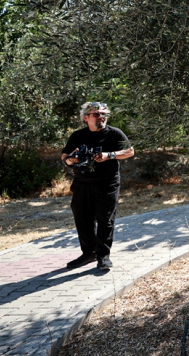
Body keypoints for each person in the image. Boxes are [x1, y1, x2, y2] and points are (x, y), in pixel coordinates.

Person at [61, 102, 134, 270]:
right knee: (82, 218)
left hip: (107, 183)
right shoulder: (78, 135)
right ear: (86, 118)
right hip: (82, 183)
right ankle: (89, 253)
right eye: (96, 114)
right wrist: (71, 159)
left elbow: (130, 151)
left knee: (105, 220)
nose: (101, 117)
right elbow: (65, 155)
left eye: (103, 114)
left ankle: (103, 257)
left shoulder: (115, 134)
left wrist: (110, 155)